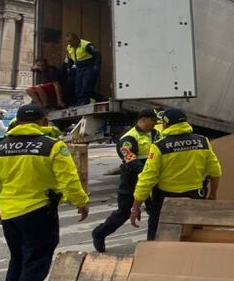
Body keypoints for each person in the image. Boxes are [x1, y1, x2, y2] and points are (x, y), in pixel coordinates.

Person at [0, 103, 90, 281]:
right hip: (39, 211)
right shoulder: (52, 146)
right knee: (35, 263)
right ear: (43, 122)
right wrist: (80, 201)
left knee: (18, 260)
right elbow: (69, 179)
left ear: (18, 122)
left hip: (10, 213)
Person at [130, 108, 221, 240]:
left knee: (156, 237)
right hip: (195, 195)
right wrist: (212, 195)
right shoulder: (203, 142)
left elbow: (147, 179)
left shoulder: (159, 147)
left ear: (166, 125)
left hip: (165, 199)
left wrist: (135, 207)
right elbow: (215, 171)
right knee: (194, 236)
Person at [92, 108, 160, 252]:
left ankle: (153, 244)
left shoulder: (155, 134)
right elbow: (130, 160)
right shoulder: (128, 138)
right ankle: (99, 233)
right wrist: (147, 172)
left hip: (150, 180)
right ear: (143, 119)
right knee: (123, 213)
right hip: (132, 179)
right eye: (153, 121)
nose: (154, 124)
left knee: (155, 212)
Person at [64, 32, 101, 106]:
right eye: (68, 41)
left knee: (86, 85)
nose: (69, 43)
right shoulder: (69, 47)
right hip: (79, 68)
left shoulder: (86, 45)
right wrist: (68, 67)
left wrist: (96, 66)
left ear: (76, 39)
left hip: (89, 67)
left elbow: (97, 55)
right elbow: (69, 58)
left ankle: (86, 101)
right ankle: (80, 102)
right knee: (78, 87)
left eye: (71, 41)